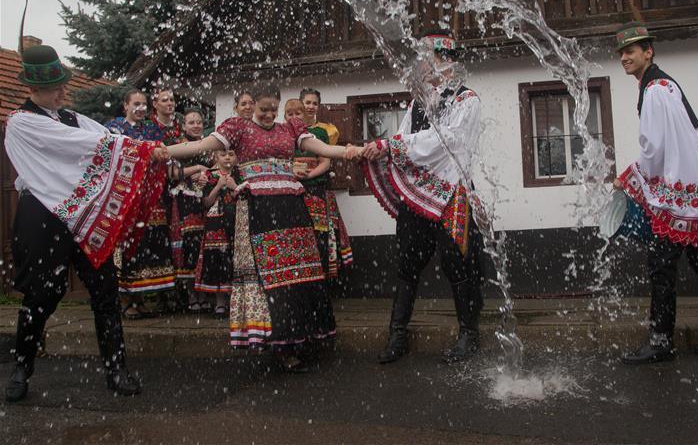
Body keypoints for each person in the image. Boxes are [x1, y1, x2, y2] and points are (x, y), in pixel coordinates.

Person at [5, 44, 168, 402]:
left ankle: (116, 369)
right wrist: (135, 149)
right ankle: (22, 368)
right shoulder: (20, 123)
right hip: (43, 215)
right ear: (33, 89)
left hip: (84, 214)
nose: (64, 91)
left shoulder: (74, 118)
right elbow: (84, 145)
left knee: (105, 290)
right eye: (55, 87)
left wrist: (146, 151)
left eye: (63, 84)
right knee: (42, 296)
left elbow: (108, 139)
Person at [165, 85, 363, 372]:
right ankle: (280, 344)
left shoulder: (290, 128)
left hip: (292, 209)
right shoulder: (238, 129)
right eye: (264, 109)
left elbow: (321, 149)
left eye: (274, 109)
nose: (270, 114)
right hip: (258, 209)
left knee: (299, 272)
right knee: (269, 275)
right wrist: (161, 151)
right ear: (252, 106)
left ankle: (303, 337)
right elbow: (199, 146)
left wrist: (349, 151)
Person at [613, 21, 698, 365]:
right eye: (622, 52)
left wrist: (628, 177)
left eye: (632, 51)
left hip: (679, 191)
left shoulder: (657, 89)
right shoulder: (659, 85)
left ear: (649, 52)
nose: (625, 57)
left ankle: (662, 341)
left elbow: (655, 146)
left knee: (666, 266)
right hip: (689, 187)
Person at [361, 34, 484, 364]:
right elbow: (406, 139)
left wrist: (392, 146)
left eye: (424, 58)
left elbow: (443, 142)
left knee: (458, 264)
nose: (418, 65)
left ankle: (469, 334)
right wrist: (381, 149)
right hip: (417, 196)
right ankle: (397, 334)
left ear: (443, 60)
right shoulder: (417, 103)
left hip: (452, 195)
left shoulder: (467, 100)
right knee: (407, 264)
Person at [106, 89, 176, 318]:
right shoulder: (115, 128)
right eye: (135, 103)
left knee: (148, 245)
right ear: (125, 106)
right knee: (128, 247)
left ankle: (141, 297)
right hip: (126, 197)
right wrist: (145, 151)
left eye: (144, 104)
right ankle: (126, 299)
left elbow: (164, 155)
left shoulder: (152, 129)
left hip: (150, 196)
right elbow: (115, 152)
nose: (140, 108)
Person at [289, 91, 353, 278]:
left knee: (320, 234)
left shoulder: (324, 131)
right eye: (306, 103)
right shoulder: (285, 132)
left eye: (314, 103)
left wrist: (307, 175)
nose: (310, 106)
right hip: (294, 189)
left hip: (316, 187)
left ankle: (322, 277)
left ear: (318, 106)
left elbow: (326, 161)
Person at [172, 109, 210, 312]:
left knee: (203, 244)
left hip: (204, 198)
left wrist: (207, 176)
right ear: (184, 125)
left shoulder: (209, 145)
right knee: (188, 243)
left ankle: (203, 291)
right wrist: (196, 170)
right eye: (191, 122)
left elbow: (216, 167)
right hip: (184, 197)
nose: (196, 125)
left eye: (199, 122)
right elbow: (173, 172)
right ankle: (190, 294)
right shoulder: (179, 145)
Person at [195, 149, 240, 317]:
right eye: (223, 154)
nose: (227, 157)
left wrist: (234, 186)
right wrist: (219, 186)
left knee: (235, 256)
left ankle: (235, 300)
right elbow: (206, 202)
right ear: (215, 157)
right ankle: (220, 302)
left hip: (236, 218)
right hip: (216, 221)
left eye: (231, 154)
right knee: (217, 256)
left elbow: (246, 195)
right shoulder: (208, 175)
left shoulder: (241, 172)